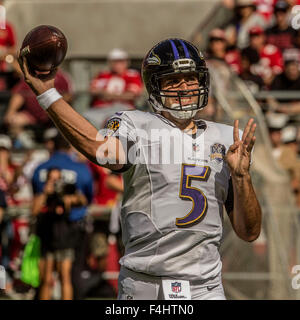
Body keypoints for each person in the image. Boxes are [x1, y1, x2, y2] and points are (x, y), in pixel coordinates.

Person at [19, 38, 261, 300]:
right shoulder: (136, 124)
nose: (185, 87)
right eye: (173, 80)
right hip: (143, 284)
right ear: (154, 86)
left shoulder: (226, 139)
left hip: (204, 287)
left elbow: (249, 232)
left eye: (191, 78)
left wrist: (242, 177)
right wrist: (47, 93)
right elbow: (97, 147)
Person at [31, 134, 93, 300]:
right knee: (66, 276)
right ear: (70, 145)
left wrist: (69, 200)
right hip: (69, 228)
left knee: (48, 277)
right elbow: (88, 197)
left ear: (51, 145)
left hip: (56, 229)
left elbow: (34, 195)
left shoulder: (40, 168)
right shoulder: (79, 168)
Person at [84, 48, 143, 128]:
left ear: (126, 62)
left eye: (121, 61)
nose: (118, 64)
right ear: (110, 62)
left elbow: (132, 95)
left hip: (122, 108)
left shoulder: (132, 75)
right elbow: (92, 90)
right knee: (83, 119)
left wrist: (109, 95)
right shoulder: (103, 74)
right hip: (99, 109)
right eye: (115, 61)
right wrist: (105, 93)